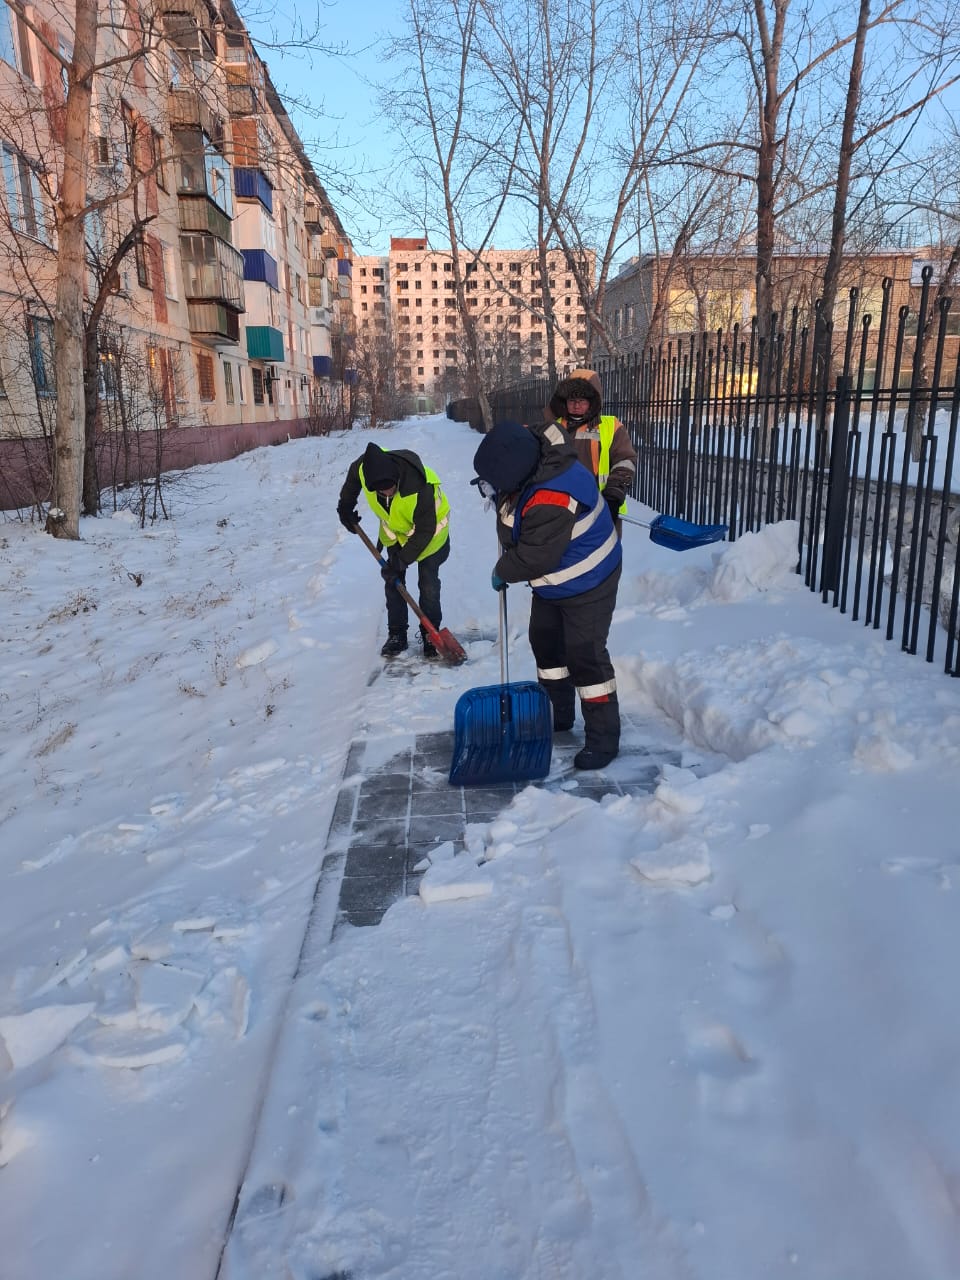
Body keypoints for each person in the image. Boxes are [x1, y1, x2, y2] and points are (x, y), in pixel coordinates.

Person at [473, 418, 622, 771]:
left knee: (585, 655)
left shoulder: (551, 496)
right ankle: (559, 715)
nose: (489, 492)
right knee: (546, 644)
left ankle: (603, 740)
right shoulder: (530, 460)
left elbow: (535, 556)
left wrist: (503, 570)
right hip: (554, 583)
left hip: (590, 578)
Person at [337, 441, 451, 658]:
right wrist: (345, 506)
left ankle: (430, 634)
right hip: (396, 535)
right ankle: (397, 635)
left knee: (428, 585)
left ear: (396, 476)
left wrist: (402, 560)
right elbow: (354, 474)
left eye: (390, 486)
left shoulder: (421, 486)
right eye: (381, 489)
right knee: (394, 583)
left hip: (431, 537)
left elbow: (425, 530)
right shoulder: (366, 468)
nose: (387, 492)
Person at [541, 368, 637, 534]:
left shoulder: (611, 426)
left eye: (582, 400)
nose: (576, 405)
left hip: (602, 507)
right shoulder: (553, 427)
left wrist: (614, 494)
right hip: (560, 510)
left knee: (602, 556)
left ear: (593, 402)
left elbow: (625, 460)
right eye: (572, 400)